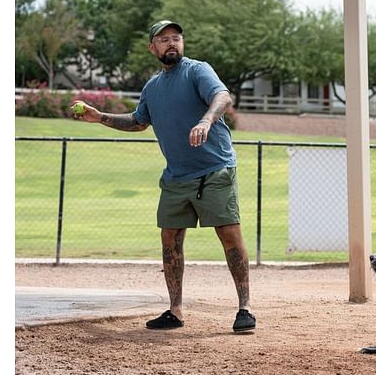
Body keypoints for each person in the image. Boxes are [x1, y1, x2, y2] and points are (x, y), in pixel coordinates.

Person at [70, 20, 255, 333]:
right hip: (177, 176)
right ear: (152, 48)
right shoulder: (152, 87)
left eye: (176, 38)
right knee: (170, 238)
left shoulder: (198, 70)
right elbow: (139, 121)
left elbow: (222, 97)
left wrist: (207, 120)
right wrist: (99, 117)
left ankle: (244, 308)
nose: (172, 43)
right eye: (164, 39)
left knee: (228, 234)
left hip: (215, 169)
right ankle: (175, 310)